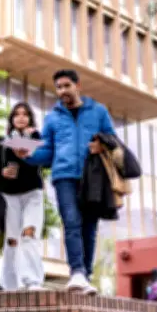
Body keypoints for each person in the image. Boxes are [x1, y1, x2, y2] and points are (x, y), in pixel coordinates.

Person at [14, 69, 117, 294]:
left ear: (77, 86)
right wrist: (28, 156)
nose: (62, 91)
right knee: (71, 222)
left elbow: (113, 140)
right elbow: (48, 153)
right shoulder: (52, 118)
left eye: (66, 86)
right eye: (58, 87)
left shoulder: (98, 111)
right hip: (63, 177)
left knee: (89, 227)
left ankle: (85, 276)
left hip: (93, 177)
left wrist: (102, 145)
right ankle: (77, 271)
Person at [0, 102, 45, 291]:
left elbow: (42, 163)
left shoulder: (37, 137)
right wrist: (3, 173)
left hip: (32, 194)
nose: (21, 117)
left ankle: (33, 281)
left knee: (29, 235)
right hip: (10, 197)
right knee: (12, 240)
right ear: (11, 119)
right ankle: (9, 285)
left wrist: (28, 150)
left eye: (25, 114)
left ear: (30, 118)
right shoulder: (2, 141)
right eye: (17, 114)